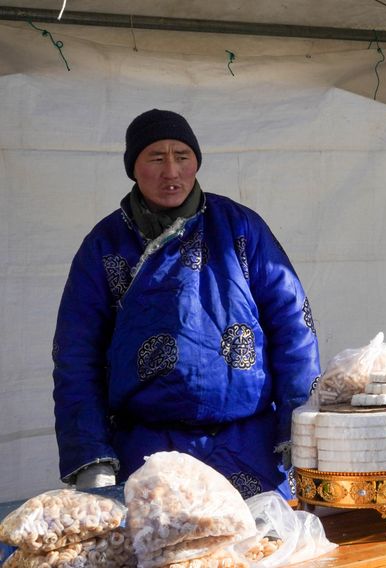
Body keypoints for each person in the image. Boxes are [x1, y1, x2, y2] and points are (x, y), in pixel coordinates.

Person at [52, 109, 320, 499]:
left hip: (248, 448)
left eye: (182, 156)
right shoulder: (105, 245)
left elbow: (293, 326)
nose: (171, 172)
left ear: (196, 162)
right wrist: (90, 455)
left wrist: (300, 428)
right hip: (148, 452)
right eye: (156, 158)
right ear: (134, 168)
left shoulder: (240, 229)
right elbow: (76, 354)